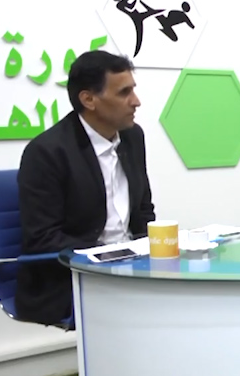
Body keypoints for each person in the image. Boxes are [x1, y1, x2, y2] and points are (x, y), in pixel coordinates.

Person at [15, 50, 156, 326]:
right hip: (72, 275)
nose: (136, 101)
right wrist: (110, 256)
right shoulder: (47, 152)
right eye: (124, 93)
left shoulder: (133, 137)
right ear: (89, 99)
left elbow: (143, 210)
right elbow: (42, 238)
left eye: (133, 90)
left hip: (132, 266)